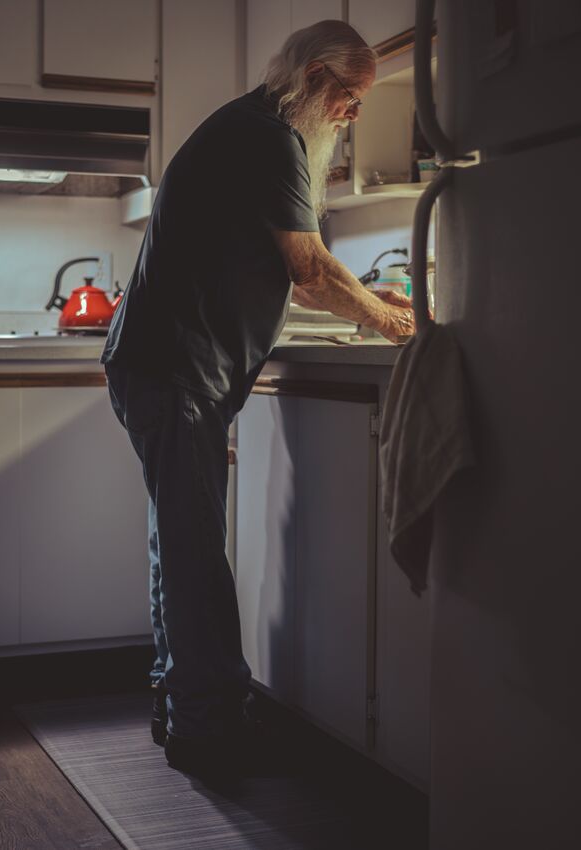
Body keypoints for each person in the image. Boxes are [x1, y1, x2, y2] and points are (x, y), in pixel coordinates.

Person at [102, 19, 415, 778]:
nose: (353, 113)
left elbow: (275, 275)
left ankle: (180, 704)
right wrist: (387, 319)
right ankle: (208, 732)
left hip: (161, 366)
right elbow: (307, 269)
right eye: (349, 94)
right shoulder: (270, 138)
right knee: (194, 553)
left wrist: (365, 297)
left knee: (177, 544)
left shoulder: (249, 129)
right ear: (312, 77)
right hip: (175, 369)